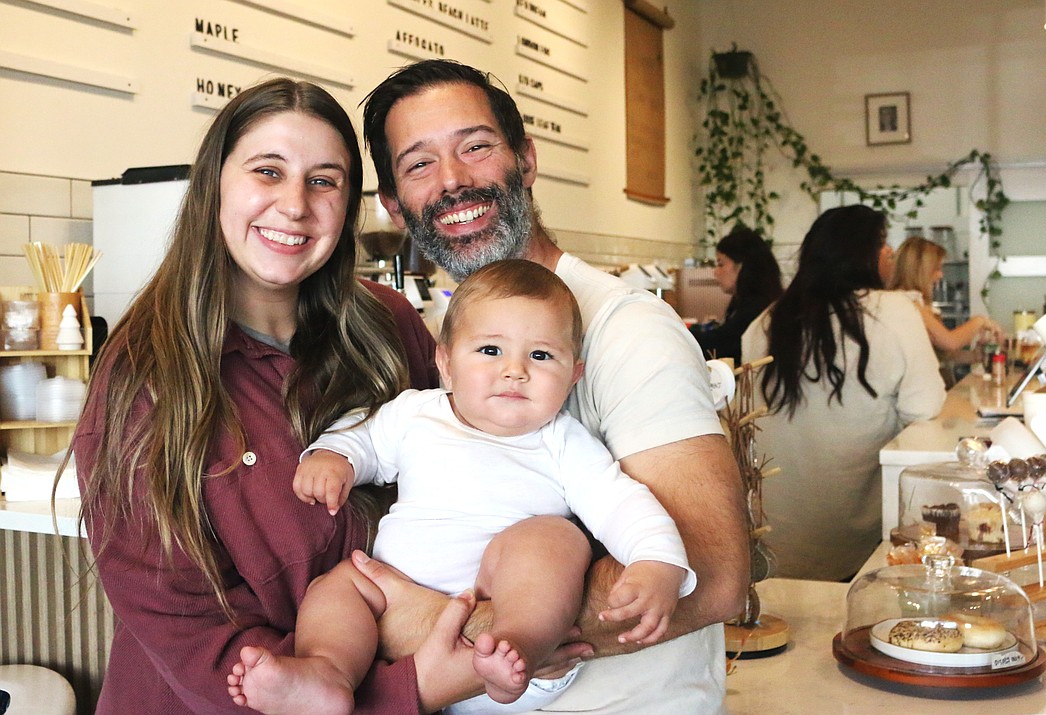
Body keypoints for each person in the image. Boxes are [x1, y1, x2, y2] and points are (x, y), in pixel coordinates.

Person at [69, 77, 526, 714]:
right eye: (268, 171)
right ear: (216, 184)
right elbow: (193, 636)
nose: (294, 205)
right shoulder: (147, 370)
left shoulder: (389, 328)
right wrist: (420, 682)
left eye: (324, 180)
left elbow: (474, 480)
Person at [357, 59, 749, 714]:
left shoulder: (627, 330)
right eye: (419, 164)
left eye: (475, 147)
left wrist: (441, 624)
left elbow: (714, 576)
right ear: (396, 207)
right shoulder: (441, 344)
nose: (453, 180)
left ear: (526, 160)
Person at [231, 259, 695, 715]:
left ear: (573, 375)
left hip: (512, 639)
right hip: (393, 605)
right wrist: (335, 457)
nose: (515, 371)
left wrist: (658, 561)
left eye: (540, 355)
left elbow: (621, 502)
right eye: (491, 350)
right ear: (446, 362)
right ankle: (328, 674)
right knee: (338, 586)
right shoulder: (415, 413)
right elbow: (363, 436)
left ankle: (516, 642)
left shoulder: (562, 441)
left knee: (552, 538)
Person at [741, 205, 946, 581]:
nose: (889, 253)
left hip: (773, 539)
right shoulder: (895, 310)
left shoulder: (766, 321)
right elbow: (925, 406)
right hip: (860, 545)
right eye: (882, 243)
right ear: (861, 254)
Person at [889, 235, 1003, 351]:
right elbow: (950, 342)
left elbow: (942, 357)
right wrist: (979, 321)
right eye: (936, 269)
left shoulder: (916, 303)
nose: (940, 275)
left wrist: (976, 355)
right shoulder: (907, 302)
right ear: (921, 270)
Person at [690, 226, 783, 363]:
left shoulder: (756, 307)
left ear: (742, 266)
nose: (715, 272)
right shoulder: (748, 301)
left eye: (720, 264)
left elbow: (719, 344)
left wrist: (678, 331)